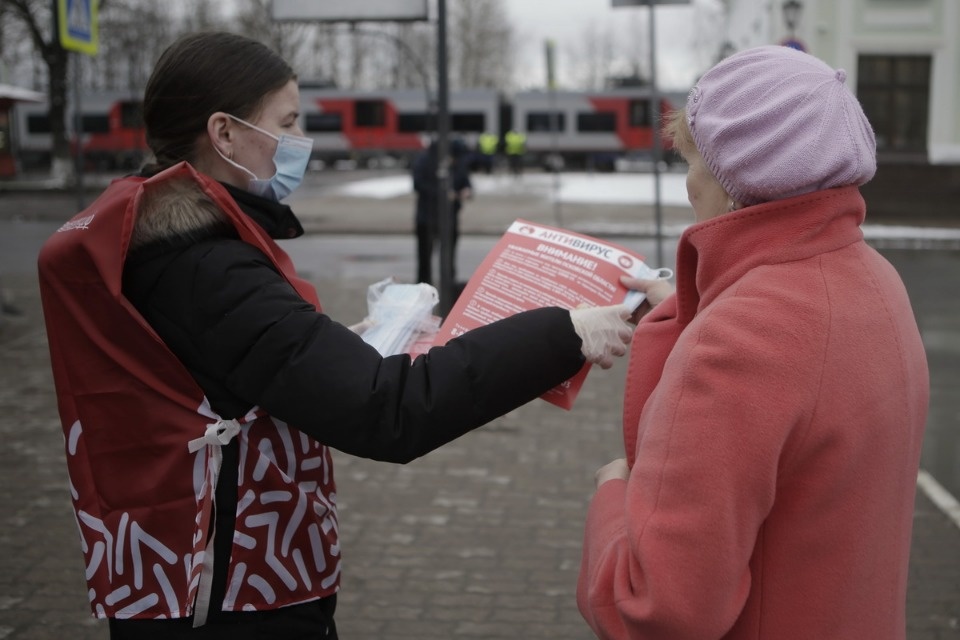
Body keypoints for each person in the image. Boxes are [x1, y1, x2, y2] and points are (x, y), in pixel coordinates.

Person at [36, 31, 636, 638]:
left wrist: (340, 342)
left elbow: (228, 372)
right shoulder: (208, 268)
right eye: (287, 122)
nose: (301, 143)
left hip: (196, 571)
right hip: (226, 587)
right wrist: (563, 332)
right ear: (224, 133)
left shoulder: (168, 244)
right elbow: (386, 409)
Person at [577, 45, 929, 640]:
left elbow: (657, 608)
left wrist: (613, 492)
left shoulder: (740, 341)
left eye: (693, 161)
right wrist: (694, 308)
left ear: (739, 177)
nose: (689, 187)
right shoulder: (873, 279)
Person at [411, 137, 472, 285]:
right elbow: (418, 184)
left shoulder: (458, 162)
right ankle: (424, 288)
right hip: (427, 218)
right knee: (425, 260)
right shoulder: (425, 161)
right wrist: (443, 194)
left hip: (450, 218)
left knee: (449, 259)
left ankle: (448, 288)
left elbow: (465, 181)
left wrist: (467, 190)